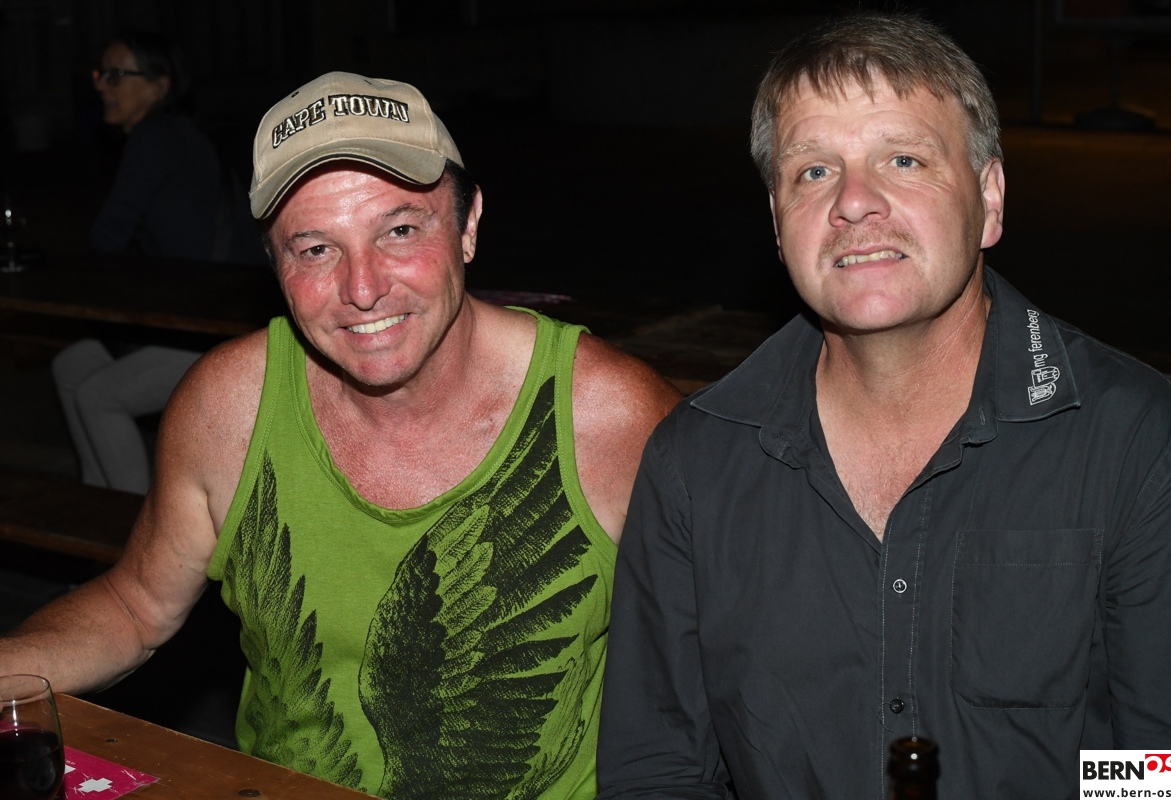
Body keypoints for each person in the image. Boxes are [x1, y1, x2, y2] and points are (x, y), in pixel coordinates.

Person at [2, 71, 681, 799]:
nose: (363, 288)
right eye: (316, 249)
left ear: (469, 224)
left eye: (399, 230)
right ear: (273, 263)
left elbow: (725, 666)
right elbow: (136, 606)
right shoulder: (229, 406)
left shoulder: (608, 417)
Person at [596, 13, 1171, 800]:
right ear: (777, 224)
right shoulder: (696, 463)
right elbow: (658, 772)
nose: (854, 201)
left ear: (989, 198)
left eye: (904, 159)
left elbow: (1167, 766)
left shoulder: (1134, 441)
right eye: (814, 170)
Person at [52, 31, 263, 495]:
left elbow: (107, 236)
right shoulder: (175, 138)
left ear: (158, 86)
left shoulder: (156, 137)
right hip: (191, 316)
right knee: (71, 366)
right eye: (99, 74)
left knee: (99, 396)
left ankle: (138, 527)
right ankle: (97, 502)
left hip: (220, 332)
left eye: (116, 75)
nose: (101, 85)